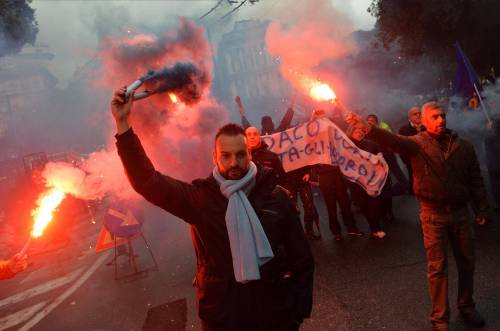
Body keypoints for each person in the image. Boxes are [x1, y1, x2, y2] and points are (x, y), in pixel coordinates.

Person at [111, 87, 314, 331]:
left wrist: (297, 315)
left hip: (274, 315)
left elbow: (302, 260)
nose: (233, 162)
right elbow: (147, 181)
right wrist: (123, 126)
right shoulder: (200, 199)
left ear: (250, 155)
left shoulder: (276, 197)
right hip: (223, 317)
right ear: (214, 158)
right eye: (225, 156)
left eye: (240, 155)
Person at [347, 101, 489, 331]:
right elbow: (391, 140)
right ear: (422, 121)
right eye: (434, 117)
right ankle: (440, 319)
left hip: (461, 214)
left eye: (442, 115)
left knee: (467, 263)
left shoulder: (464, 146)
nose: (440, 120)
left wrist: (482, 207)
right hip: (433, 215)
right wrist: (366, 126)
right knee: (437, 268)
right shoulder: (416, 145)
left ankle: (466, 305)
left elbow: (475, 180)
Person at [346, 125, 388, 239]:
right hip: (356, 182)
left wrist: (380, 156)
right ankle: (373, 224)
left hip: (371, 180)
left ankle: (376, 228)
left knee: (373, 204)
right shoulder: (347, 146)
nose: (359, 132)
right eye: (356, 130)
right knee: (362, 204)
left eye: (361, 130)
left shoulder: (371, 144)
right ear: (351, 132)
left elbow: (379, 154)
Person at [398, 106, 426, 194]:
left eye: (419, 113)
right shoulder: (403, 130)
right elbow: (400, 147)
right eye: (415, 114)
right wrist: (406, 161)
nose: (418, 115)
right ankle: (414, 192)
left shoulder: (428, 126)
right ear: (410, 117)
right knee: (414, 178)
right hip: (412, 160)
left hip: (428, 158)